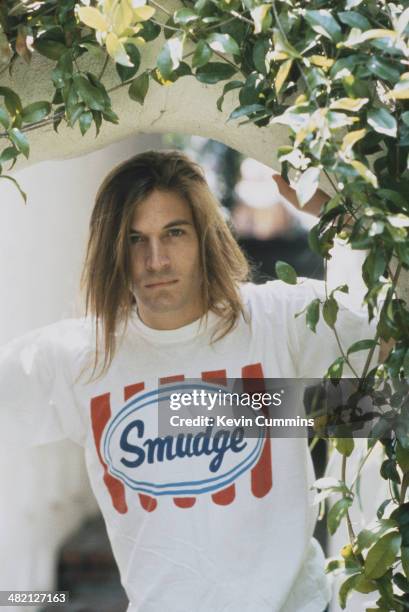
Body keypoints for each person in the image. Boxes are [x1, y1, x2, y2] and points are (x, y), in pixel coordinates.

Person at [0, 150, 385, 612]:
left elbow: (391, 327)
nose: (155, 259)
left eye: (174, 233)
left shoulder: (276, 319)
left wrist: (345, 220)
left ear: (205, 236)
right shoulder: (81, 355)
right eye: (134, 239)